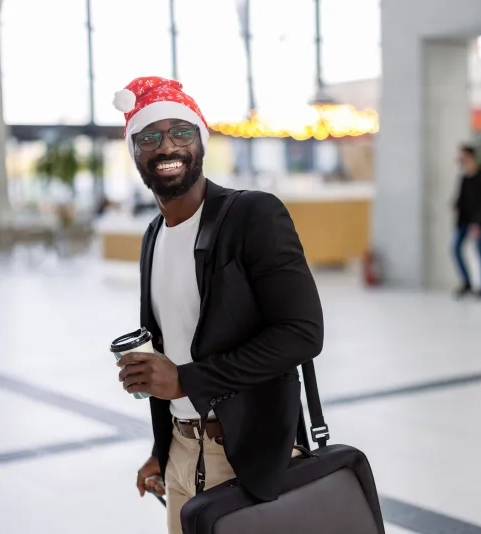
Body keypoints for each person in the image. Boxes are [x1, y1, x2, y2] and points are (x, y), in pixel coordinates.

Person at [111, 76, 324, 534]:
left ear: (201, 140)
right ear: (134, 152)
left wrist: (186, 380)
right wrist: (164, 451)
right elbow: (172, 344)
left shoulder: (253, 215)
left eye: (181, 132)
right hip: (182, 461)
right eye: (149, 137)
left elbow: (303, 333)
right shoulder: (153, 236)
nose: (166, 146)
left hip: (249, 458)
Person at [452, 144, 481, 298]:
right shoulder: (464, 178)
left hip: (478, 223)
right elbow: (461, 199)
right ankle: (467, 282)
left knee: (480, 253)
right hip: (464, 221)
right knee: (455, 249)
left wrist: (478, 223)